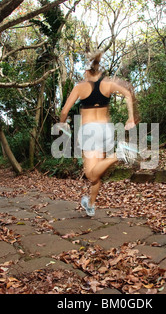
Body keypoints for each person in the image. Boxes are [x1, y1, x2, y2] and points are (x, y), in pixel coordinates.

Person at [58, 51, 137, 216]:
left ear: (87, 72)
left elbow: (65, 110)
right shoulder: (107, 84)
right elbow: (128, 94)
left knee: (90, 174)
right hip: (105, 129)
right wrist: (130, 118)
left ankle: (118, 154)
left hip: (89, 131)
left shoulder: (80, 87)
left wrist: (62, 122)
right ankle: (91, 205)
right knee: (97, 172)